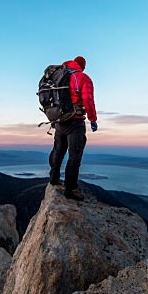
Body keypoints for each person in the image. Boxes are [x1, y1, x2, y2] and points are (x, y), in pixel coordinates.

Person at [48, 55, 97, 201]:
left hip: (59, 121)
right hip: (75, 123)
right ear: (82, 66)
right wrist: (93, 119)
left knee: (58, 151)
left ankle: (53, 178)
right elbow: (88, 99)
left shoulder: (58, 76)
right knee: (75, 156)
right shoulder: (83, 77)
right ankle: (71, 188)